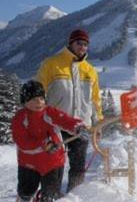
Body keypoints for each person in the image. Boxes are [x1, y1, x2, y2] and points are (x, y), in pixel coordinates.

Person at [36, 29, 103, 192]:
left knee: (78, 167)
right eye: (79, 43)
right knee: (54, 168)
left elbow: (95, 100)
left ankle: (74, 201)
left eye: (85, 44)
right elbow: (37, 95)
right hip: (55, 126)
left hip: (81, 126)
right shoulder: (51, 64)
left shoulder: (90, 70)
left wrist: (98, 123)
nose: (82, 47)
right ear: (71, 43)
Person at [11, 80, 85, 202]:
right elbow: (22, 141)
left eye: (41, 98)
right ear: (25, 101)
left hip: (53, 162)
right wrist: (44, 144)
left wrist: (77, 126)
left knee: (50, 197)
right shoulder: (20, 118)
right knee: (26, 191)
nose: (38, 103)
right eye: (33, 100)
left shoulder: (50, 112)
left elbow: (65, 120)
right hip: (29, 163)